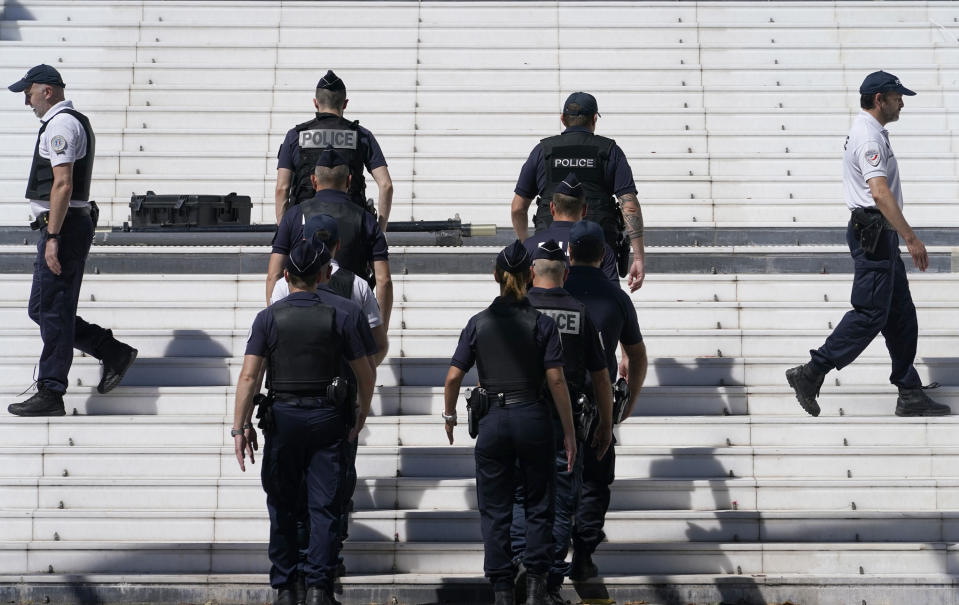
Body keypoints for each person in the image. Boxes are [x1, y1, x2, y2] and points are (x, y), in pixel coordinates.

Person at [786, 71, 950, 418]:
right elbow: (878, 192)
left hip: (880, 234)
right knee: (870, 313)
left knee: (901, 314)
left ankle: (909, 390)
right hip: (874, 233)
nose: (902, 102)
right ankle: (813, 371)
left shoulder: (872, 132)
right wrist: (911, 237)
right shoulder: (868, 139)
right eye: (897, 97)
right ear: (880, 99)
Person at [233, 238, 376, 605]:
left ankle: (285, 585)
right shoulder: (343, 314)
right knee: (324, 506)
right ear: (324, 275)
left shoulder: (268, 318)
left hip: (283, 417)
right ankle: (318, 587)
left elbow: (249, 377)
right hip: (329, 417)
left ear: (285, 275)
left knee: (282, 502)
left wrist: (241, 425)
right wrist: (361, 411)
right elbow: (366, 371)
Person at [442, 241, 578, 605]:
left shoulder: (478, 323)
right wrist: (568, 430)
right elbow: (556, 381)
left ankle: (502, 589)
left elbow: (454, 376)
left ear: (496, 275)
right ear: (529, 276)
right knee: (539, 505)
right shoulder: (542, 324)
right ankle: (534, 587)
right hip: (533, 417)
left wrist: (450, 415)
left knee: (496, 509)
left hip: (493, 421)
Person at [7, 64, 137, 417]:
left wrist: (52, 236)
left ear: (47, 91)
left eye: (28, 93)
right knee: (43, 310)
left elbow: (62, 185)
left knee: (53, 311)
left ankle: (52, 391)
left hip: (62, 227)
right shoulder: (64, 122)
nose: (26, 102)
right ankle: (111, 350)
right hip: (65, 225)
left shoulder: (61, 125)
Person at [267, 213, 387, 586]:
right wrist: (358, 381)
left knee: (293, 493)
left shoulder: (284, 288)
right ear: (338, 246)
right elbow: (377, 347)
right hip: (340, 399)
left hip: (288, 400)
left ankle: (302, 563)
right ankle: (327, 560)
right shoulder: (358, 286)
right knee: (333, 488)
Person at [510, 240, 614, 604]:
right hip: (561, 420)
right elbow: (601, 376)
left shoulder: (513, 310)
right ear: (565, 274)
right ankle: (549, 583)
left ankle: (523, 561)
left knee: (522, 496)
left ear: (529, 274)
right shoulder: (580, 313)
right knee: (558, 502)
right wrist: (606, 425)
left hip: (517, 416)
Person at [563, 220, 647, 581]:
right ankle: (582, 553)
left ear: (569, 252)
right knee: (596, 483)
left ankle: (541, 565)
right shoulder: (616, 297)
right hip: (597, 406)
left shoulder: (552, 289)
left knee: (550, 482)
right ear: (603, 255)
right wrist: (628, 404)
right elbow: (637, 356)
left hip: (552, 402)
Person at [510, 92, 646, 292]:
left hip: (548, 255)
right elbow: (629, 206)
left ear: (563, 119)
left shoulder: (543, 151)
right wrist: (639, 257)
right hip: (597, 253)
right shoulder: (610, 151)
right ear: (594, 119)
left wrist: (527, 245)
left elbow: (517, 209)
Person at [270, 147, 393, 330]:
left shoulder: (294, 215)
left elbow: (273, 274)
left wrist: (275, 323)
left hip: (300, 323)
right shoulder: (366, 219)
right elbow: (384, 280)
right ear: (349, 181)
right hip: (350, 325)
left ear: (313, 180)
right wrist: (380, 331)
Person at [275, 69, 393, 232]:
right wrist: (380, 230)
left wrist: (284, 232)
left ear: (316, 103)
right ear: (345, 103)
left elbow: (282, 188)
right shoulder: (362, 135)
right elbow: (386, 185)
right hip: (352, 226)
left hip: (305, 226)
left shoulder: (294, 136)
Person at [522, 172, 618, 283]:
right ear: (585, 209)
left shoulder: (529, 246)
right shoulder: (600, 248)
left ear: (552, 207)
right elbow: (612, 294)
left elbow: (520, 291)